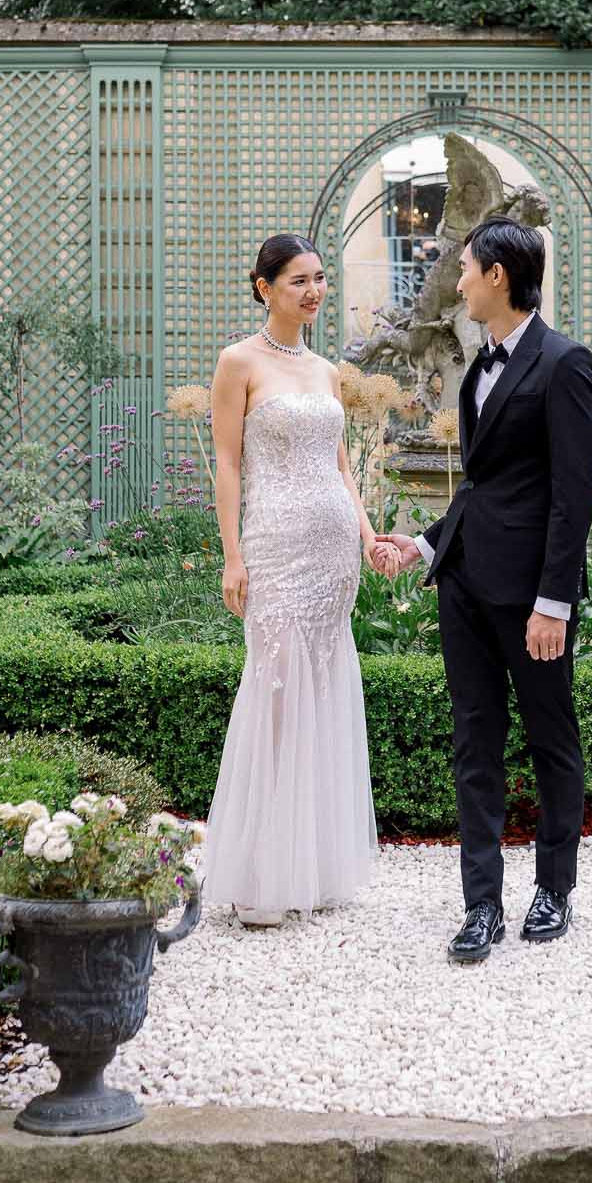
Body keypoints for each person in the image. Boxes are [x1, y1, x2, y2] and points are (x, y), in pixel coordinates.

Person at [380, 219, 592, 964]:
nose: (457, 280)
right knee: (474, 745)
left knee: (550, 740)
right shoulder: (478, 368)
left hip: (529, 599)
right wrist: (422, 542)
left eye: (465, 267)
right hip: (465, 586)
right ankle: (481, 904)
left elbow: (573, 497)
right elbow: (483, 489)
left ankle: (553, 889)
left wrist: (554, 601)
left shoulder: (565, 363)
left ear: (499, 276)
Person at [199, 233, 398, 925]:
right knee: (277, 691)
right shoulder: (237, 361)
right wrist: (231, 554)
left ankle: (311, 868)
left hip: (333, 547)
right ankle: (259, 874)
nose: (312, 292)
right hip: (276, 545)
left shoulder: (325, 368)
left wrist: (369, 535)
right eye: (296, 281)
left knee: (322, 685)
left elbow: (341, 465)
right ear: (263, 287)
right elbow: (227, 463)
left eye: (319, 280)